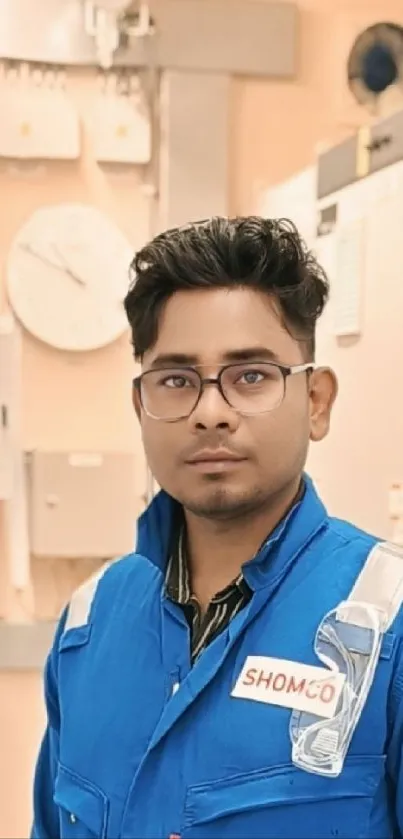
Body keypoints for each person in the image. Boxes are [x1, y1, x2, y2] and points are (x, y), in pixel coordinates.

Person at [31, 217, 403, 839]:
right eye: (176, 380)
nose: (210, 413)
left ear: (316, 402)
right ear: (141, 405)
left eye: (250, 376)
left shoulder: (386, 621)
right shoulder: (87, 627)